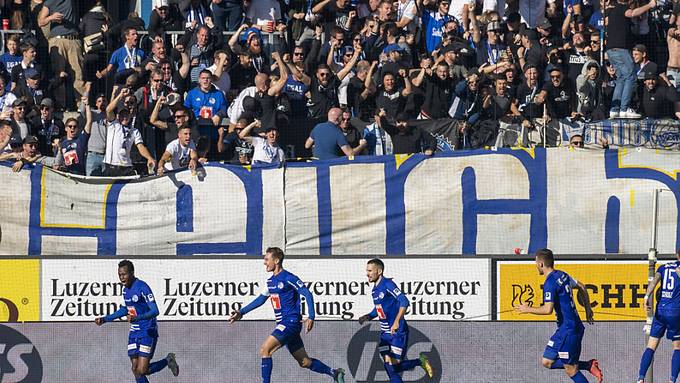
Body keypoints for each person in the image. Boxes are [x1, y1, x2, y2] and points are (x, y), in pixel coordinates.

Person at [228, 247, 346, 383]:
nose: (264, 262)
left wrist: (311, 316)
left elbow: (307, 293)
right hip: (285, 325)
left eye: (267, 259)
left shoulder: (288, 277)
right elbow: (260, 299)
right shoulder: (271, 281)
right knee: (304, 362)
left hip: (290, 322)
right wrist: (241, 312)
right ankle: (334, 373)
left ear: (276, 260)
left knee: (265, 349)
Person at [515, 249, 604, 383]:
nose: (535, 266)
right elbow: (582, 286)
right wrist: (588, 309)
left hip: (570, 330)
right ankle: (587, 365)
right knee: (547, 361)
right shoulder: (562, 275)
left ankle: (587, 366)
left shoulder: (549, 283)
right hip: (564, 329)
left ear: (541, 264)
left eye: (535, 262)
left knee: (571, 369)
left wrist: (527, 309)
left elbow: (547, 309)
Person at [94, 260, 180, 382]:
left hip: (147, 331)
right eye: (119, 275)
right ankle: (168, 360)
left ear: (132, 273)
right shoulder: (125, 290)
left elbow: (155, 311)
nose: (122, 277)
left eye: (124, 274)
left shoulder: (142, 287)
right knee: (135, 369)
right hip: (135, 331)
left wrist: (136, 318)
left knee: (142, 370)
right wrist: (105, 319)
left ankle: (168, 360)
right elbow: (126, 310)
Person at [358, 258, 434, 382]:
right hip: (384, 335)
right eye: (367, 270)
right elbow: (379, 308)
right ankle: (419, 361)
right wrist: (368, 316)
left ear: (379, 271)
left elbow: (404, 301)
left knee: (392, 366)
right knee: (389, 365)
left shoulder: (388, 284)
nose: (367, 273)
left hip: (397, 333)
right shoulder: (374, 290)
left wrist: (396, 322)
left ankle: (419, 361)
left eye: (370, 270)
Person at [637, 249, 680, 383]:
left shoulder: (663, 267)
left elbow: (654, 282)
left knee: (650, 346)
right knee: (677, 347)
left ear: (677, 254)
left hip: (660, 311)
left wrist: (646, 297)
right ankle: (672, 380)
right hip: (675, 312)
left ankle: (640, 378)